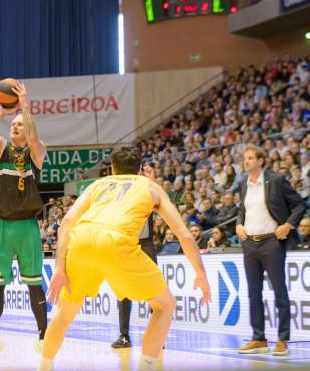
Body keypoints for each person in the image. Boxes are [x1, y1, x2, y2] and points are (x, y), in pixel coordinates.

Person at [39, 146, 210, 371]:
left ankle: (44, 366)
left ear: (112, 168)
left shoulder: (98, 184)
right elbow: (184, 235)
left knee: (66, 311)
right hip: (116, 242)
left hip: (81, 241)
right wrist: (201, 274)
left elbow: (68, 222)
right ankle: (147, 366)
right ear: (140, 168)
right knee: (165, 305)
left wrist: (59, 268)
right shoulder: (151, 187)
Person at [0, 81, 48, 371]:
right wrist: (4, 113)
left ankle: (44, 339)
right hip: (2, 226)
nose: (15, 127)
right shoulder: (0, 148)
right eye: (13, 125)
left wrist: (25, 107)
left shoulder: (37, 150)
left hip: (28, 226)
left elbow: (33, 137)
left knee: (34, 287)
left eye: (20, 124)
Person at [235, 144, 306, 356]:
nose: (245, 161)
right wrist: (239, 224)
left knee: (279, 292)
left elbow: (300, 205)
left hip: (271, 243)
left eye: (249, 158)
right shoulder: (243, 183)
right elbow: (242, 209)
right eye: (244, 158)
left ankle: (283, 339)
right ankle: (258, 338)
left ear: (260, 161)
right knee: (253, 294)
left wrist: (288, 225)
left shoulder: (275, 180)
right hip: (250, 244)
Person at [111, 164, 160, 349]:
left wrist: (151, 179)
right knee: (123, 291)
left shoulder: (145, 186)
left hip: (146, 243)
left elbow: (158, 200)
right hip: (125, 242)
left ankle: (157, 335)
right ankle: (124, 336)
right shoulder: (116, 189)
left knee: (154, 288)